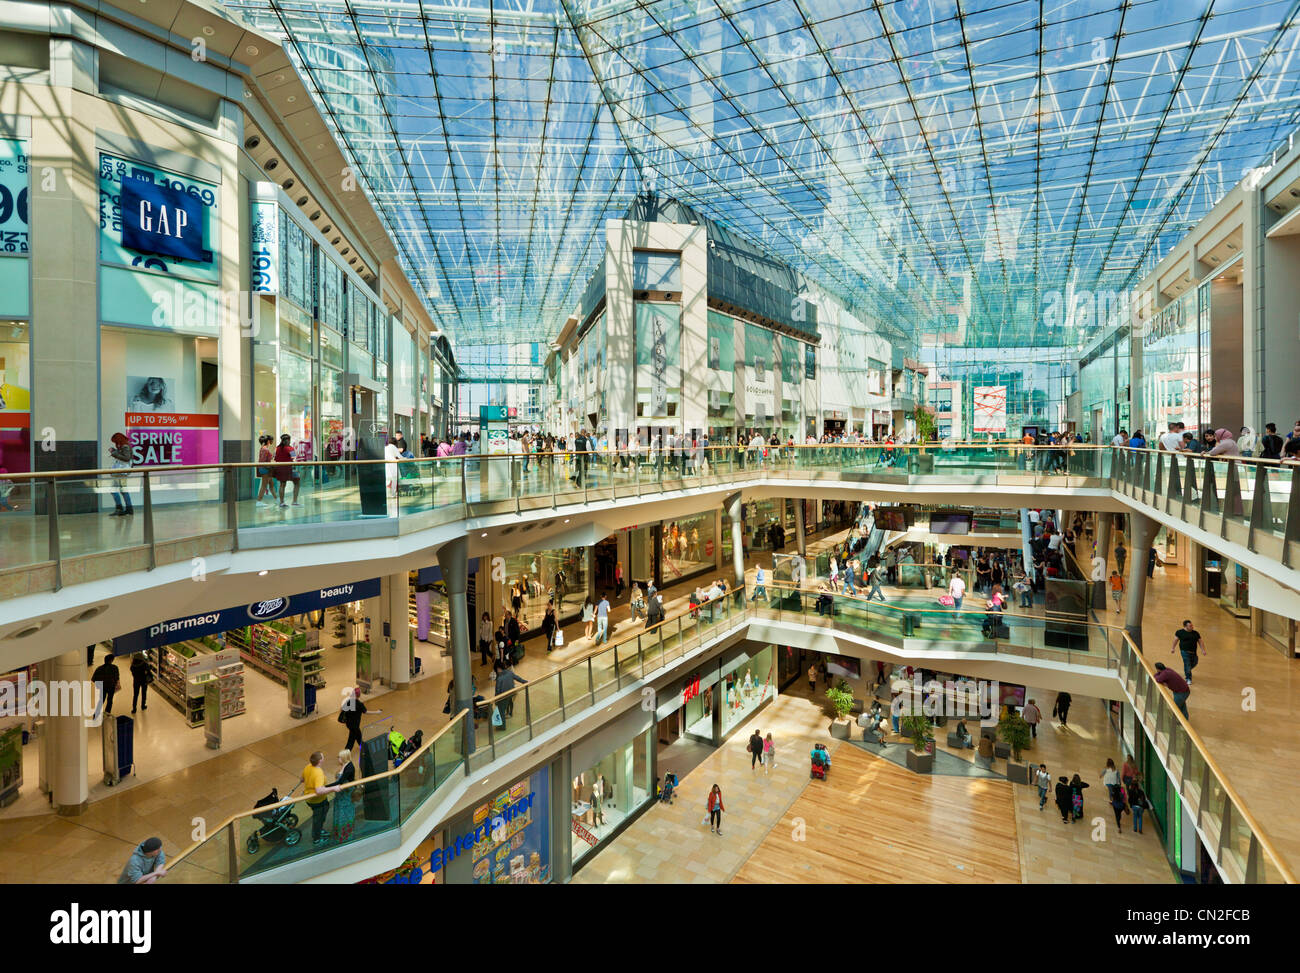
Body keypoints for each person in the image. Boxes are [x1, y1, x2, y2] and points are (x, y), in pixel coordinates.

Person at [303, 751, 343, 845]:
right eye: (323, 757)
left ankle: (319, 829)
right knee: (318, 818)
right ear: (320, 761)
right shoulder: (318, 773)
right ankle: (316, 838)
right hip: (317, 800)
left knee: (324, 809)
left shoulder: (308, 766)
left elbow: (302, 778)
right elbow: (319, 791)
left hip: (309, 797)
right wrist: (333, 788)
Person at [340, 686, 377, 753]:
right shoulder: (360, 704)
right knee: (351, 740)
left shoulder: (349, 701)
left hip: (348, 723)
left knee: (358, 735)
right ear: (359, 695)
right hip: (355, 725)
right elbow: (366, 712)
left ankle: (363, 747)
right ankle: (344, 754)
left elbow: (342, 709)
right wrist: (377, 712)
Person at [331, 749, 357, 842]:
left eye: (339, 757)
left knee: (345, 812)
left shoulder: (349, 768)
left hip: (345, 795)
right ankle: (339, 833)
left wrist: (325, 788)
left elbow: (340, 782)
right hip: (340, 794)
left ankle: (345, 834)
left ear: (343, 758)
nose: (338, 759)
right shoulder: (344, 766)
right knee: (340, 811)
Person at [107, 432, 134, 516]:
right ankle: (128, 508)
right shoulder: (124, 445)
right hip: (120, 471)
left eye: (115, 441)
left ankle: (121, 508)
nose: (115, 443)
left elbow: (126, 458)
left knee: (116, 490)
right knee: (122, 490)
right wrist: (115, 451)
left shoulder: (125, 446)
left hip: (121, 471)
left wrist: (114, 453)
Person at [1172, 619, 1205, 684]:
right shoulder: (1180, 632)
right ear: (1185, 626)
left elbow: (1200, 642)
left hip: (1193, 652)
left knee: (1195, 663)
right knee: (1187, 664)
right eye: (1190, 626)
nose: (1192, 627)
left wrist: (1203, 650)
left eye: (1192, 625)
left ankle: (1187, 670)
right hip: (1184, 652)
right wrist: (1173, 648)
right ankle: (1188, 679)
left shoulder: (1196, 633)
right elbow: (1175, 640)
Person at [274, 434, 302, 506]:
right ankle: (294, 501)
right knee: (297, 483)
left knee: (282, 485)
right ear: (289, 440)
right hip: (290, 468)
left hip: (280, 468)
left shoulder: (277, 448)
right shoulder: (290, 448)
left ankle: (282, 502)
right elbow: (294, 458)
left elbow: (275, 458)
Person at [92, 653, 121, 718]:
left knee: (101, 700)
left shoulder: (99, 668)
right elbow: (117, 678)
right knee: (110, 700)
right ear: (111, 660)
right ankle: (107, 713)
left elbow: (93, 679)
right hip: (111, 687)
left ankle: (96, 714)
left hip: (103, 687)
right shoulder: (115, 668)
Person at [254, 434, 276, 506]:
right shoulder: (265, 449)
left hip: (265, 468)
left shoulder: (263, 448)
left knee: (271, 484)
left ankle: (277, 499)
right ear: (269, 441)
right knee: (264, 485)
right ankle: (259, 501)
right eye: (272, 440)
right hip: (265, 469)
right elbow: (263, 461)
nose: (272, 441)